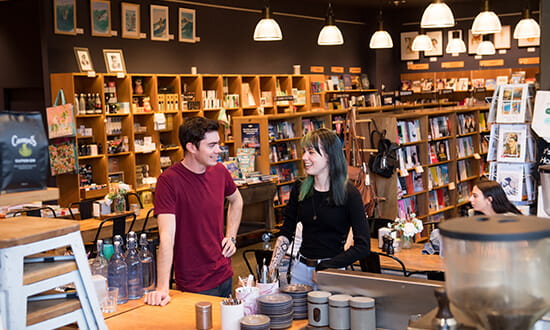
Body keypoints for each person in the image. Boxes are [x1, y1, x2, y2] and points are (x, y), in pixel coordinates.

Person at [145, 117, 243, 306]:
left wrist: (231, 236)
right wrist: (162, 288)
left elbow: (237, 200)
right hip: (194, 281)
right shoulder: (169, 181)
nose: (218, 150)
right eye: (212, 145)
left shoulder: (220, 171)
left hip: (224, 271)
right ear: (191, 147)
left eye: (219, 144)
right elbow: (166, 236)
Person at [268, 128, 370, 288]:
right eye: (304, 151)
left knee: (330, 313)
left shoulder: (349, 194)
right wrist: (271, 268)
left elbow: (363, 246)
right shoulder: (300, 188)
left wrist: (328, 265)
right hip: (299, 271)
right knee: (298, 313)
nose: (304, 157)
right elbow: (286, 233)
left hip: (332, 272)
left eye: (311, 152)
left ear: (329, 156)